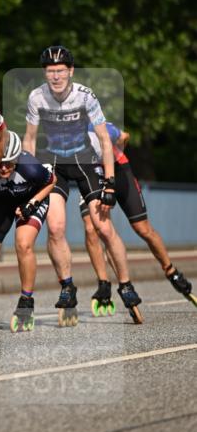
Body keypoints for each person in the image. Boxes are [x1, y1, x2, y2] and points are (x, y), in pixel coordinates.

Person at [23, 45, 143, 325]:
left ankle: (125, 284)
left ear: (71, 71)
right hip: (55, 164)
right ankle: (67, 286)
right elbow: (30, 138)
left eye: (60, 70)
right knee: (55, 227)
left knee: (103, 227)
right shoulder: (36, 97)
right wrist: (31, 175)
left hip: (86, 163)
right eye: (50, 71)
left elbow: (104, 140)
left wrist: (110, 182)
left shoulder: (86, 96)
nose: (55, 76)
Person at [80, 122, 195, 312]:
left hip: (118, 170)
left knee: (143, 229)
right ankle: (104, 283)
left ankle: (171, 270)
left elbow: (125, 136)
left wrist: (115, 154)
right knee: (92, 228)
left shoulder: (98, 126)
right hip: (92, 176)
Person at [0, 131, 56, 331]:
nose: (4, 168)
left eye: (9, 164)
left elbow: (52, 181)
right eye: (0, 163)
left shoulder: (30, 167)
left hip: (30, 199)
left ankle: (26, 302)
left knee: (23, 244)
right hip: (0, 201)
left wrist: (32, 203)